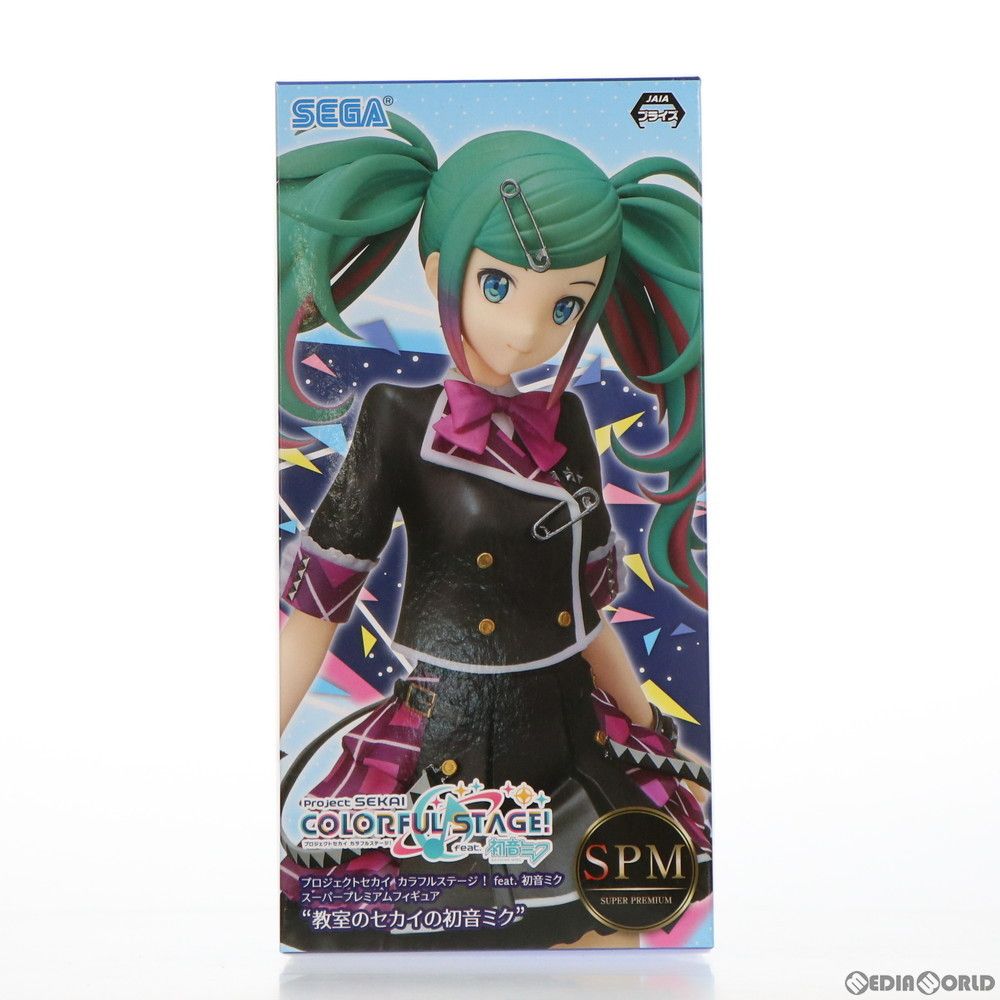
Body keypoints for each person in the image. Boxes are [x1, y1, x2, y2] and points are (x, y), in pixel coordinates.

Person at [277, 115, 710, 950]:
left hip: (570, 731)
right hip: (452, 740)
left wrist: (652, 733)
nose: (527, 332)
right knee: (425, 936)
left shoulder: (567, 423)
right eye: (500, 286)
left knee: (616, 928)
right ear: (438, 272)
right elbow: (317, 610)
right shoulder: (398, 418)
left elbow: (587, 614)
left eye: (566, 305)